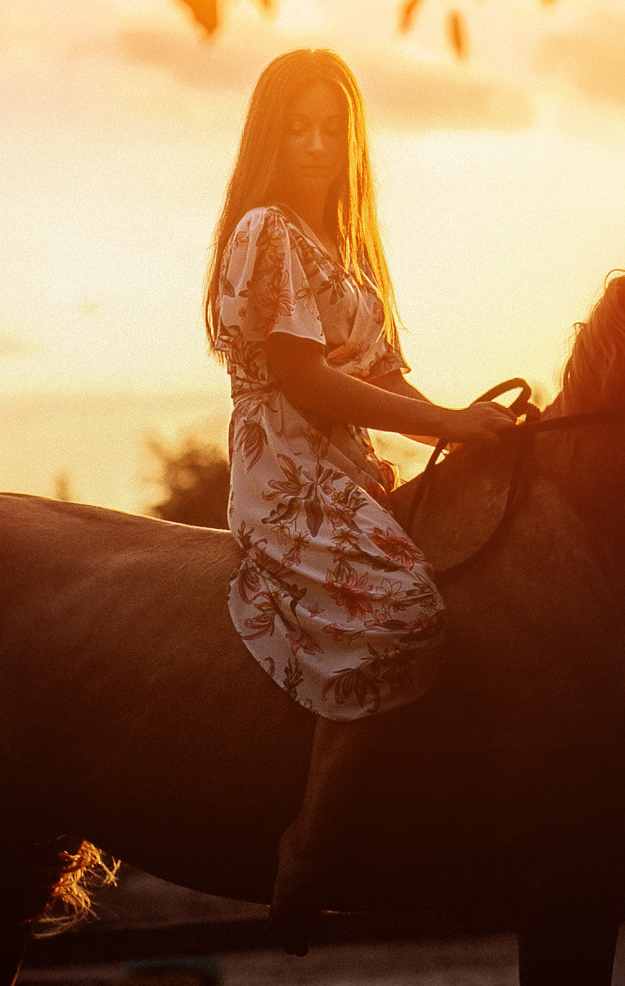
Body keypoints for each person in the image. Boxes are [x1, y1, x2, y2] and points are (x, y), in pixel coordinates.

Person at [203, 47, 517, 942]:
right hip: (287, 471)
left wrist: (477, 430)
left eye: (330, 128)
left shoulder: (341, 251)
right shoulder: (266, 230)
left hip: (348, 470)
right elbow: (306, 384)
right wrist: (451, 426)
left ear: (352, 139)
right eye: (296, 127)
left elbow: (388, 381)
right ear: (270, 137)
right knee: (401, 611)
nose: (315, 143)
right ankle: (311, 848)